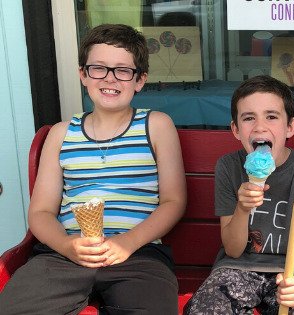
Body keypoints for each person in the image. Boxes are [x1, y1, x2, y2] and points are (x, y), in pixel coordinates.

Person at [0, 24, 187, 314]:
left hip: (138, 253)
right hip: (63, 255)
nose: (110, 79)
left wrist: (127, 242)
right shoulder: (62, 134)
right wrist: (64, 245)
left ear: (140, 80)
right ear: (83, 75)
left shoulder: (157, 126)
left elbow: (174, 201)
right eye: (99, 68)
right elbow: (40, 213)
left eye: (123, 71)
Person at [185, 75, 294, 315]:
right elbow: (232, 249)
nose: (260, 126)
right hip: (235, 268)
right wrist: (243, 208)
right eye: (249, 118)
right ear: (235, 129)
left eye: (271, 117)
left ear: (290, 127)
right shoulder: (228, 167)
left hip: (289, 272)